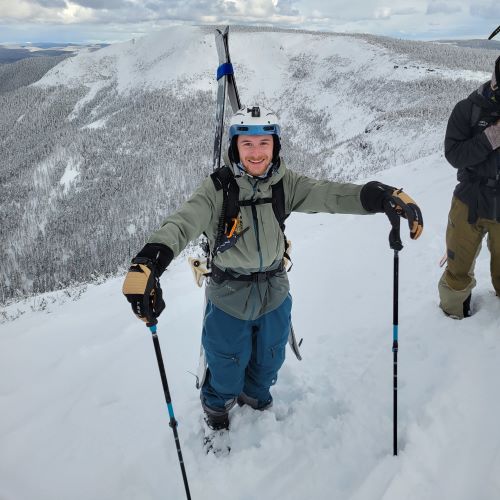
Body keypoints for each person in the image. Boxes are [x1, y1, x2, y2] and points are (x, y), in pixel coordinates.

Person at [122, 106, 423, 437]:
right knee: (226, 364)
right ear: (235, 147)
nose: (256, 153)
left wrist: (377, 197)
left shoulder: (285, 184)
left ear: (275, 146)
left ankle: (255, 402)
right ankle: (217, 408)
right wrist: (150, 261)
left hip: (275, 290)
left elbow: (329, 194)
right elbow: (182, 223)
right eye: (247, 144)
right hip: (228, 295)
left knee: (269, 360)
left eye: (263, 143)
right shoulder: (217, 190)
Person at [439, 56, 500, 319]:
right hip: (469, 200)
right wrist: (489, 139)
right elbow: (454, 154)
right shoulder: (468, 109)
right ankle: (452, 317)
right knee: (457, 266)